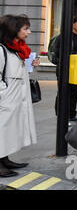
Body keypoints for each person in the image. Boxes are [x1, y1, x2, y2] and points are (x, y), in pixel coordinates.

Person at [0, 14, 40, 177]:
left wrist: (30, 65)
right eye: (25, 28)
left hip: (16, 98)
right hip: (7, 99)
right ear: (13, 30)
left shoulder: (17, 49)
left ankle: (5, 158)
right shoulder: (2, 50)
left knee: (9, 131)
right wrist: (4, 95)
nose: (29, 32)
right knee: (2, 130)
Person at [54, 16, 77, 122]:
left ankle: (72, 114)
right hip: (65, 69)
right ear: (73, 24)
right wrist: (76, 53)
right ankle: (60, 113)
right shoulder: (63, 37)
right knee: (64, 91)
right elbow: (58, 52)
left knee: (74, 92)